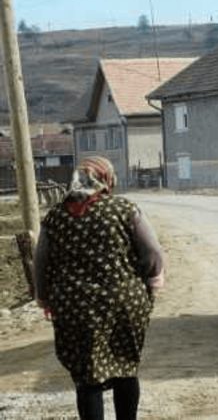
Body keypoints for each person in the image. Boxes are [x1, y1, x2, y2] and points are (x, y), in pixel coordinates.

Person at [34, 156, 165, 420]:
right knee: (125, 367)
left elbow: (41, 261)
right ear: (106, 179)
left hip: (74, 309)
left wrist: (43, 297)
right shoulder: (124, 209)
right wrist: (152, 278)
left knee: (87, 376)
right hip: (123, 303)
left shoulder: (55, 217)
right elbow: (152, 252)